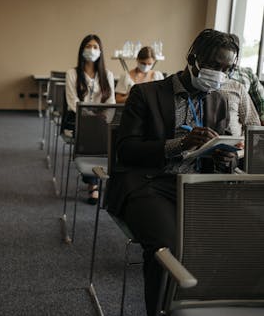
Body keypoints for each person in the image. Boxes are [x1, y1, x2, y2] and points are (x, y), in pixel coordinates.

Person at [107, 29, 240, 316]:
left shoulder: (218, 100)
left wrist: (225, 154)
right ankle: (159, 311)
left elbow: (225, 142)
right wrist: (178, 144)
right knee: (168, 246)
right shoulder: (146, 93)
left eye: (226, 69)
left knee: (244, 232)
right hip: (150, 183)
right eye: (214, 66)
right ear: (193, 59)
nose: (219, 74)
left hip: (196, 185)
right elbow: (126, 150)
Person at [64, 34, 115, 203]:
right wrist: (90, 119)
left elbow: (111, 102)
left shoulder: (107, 74)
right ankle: (93, 184)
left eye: (95, 47)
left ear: (100, 51)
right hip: (79, 121)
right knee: (93, 136)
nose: (91, 50)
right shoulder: (72, 73)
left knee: (109, 136)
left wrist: (103, 120)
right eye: (88, 46)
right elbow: (73, 102)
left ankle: (102, 180)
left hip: (101, 122)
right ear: (82, 50)